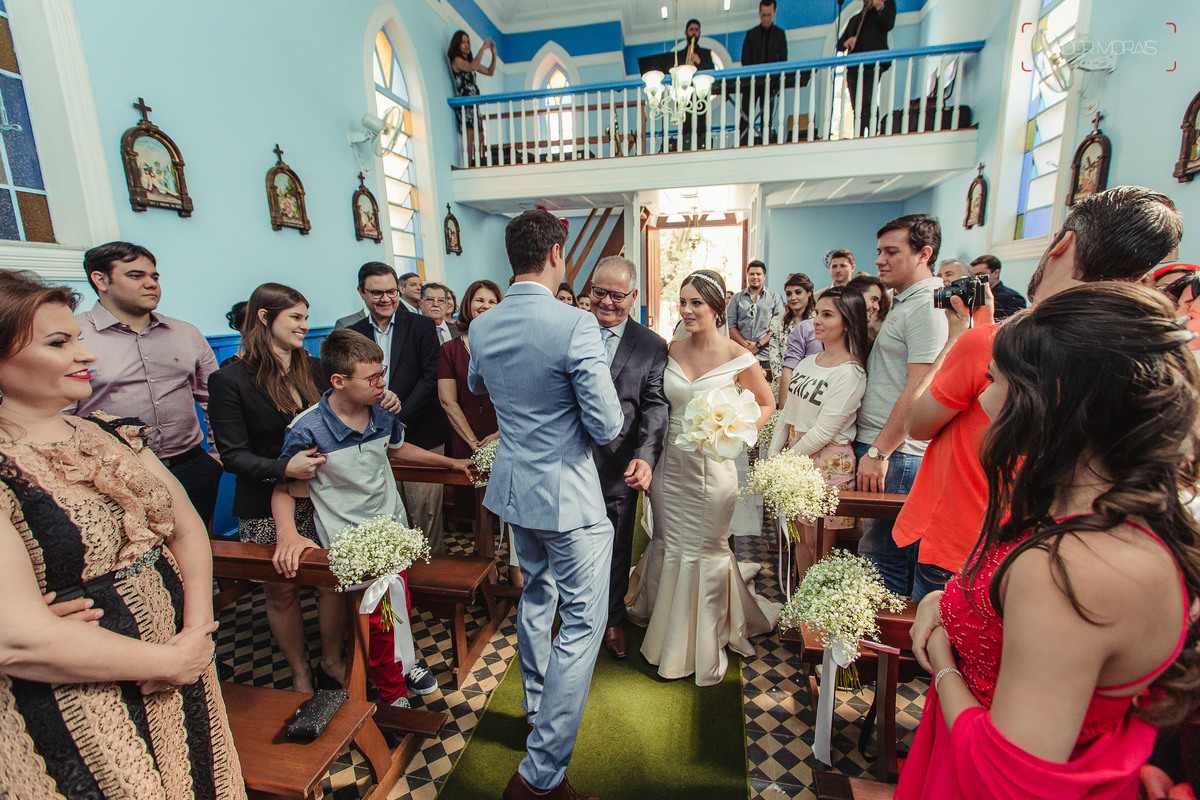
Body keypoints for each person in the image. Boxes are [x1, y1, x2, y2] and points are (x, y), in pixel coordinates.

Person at [898, 283, 1200, 799]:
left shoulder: (1070, 570)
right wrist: (938, 601)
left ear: (1052, 401)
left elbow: (1004, 778)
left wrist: (945, 659)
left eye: (997, 381)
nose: (986, 400)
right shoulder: (1092, 518)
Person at [0, 269, 245, 798]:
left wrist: (197, 633)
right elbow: (16, 637)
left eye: (79, 340)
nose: (84, 356)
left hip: (181, 661)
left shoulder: (107, 433)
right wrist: (168, 661)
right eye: (59, 343)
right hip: (79, 693)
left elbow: (185, 529)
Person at [901, 186, 1185, 602]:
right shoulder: (1139, 358)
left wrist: (962, 335)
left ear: (1063, 242)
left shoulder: (997, 343)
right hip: (1070, 563)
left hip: (967, 545)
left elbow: (919, 424)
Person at [468, 210, 623, 800]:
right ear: (558, 253)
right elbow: (607, 424)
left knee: (536, 596)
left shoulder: (483, 324)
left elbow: (481, 388)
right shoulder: (574, 324)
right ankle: (539, 775)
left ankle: (535, 707)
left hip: (513, 488)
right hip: (567, 492)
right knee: (583, 623)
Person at [209, 283, 398, 693]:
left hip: (320, 497)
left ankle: (332, 660)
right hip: (266, 498)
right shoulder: (230, 380)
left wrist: (383, 394)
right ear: (264, 318)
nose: (304, 325)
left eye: (305, 317)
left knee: (331, 583)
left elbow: (348, 398)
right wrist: (284, 468)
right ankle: (299, 671)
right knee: (283, 592)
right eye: (296, 317)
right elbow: (232, 456)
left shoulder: (312, 367)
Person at [273, 330, 474, 708]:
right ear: (339, 381)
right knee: (380, 619)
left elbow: (397, 449)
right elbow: (287, 488)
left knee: (398, 602)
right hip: (350, 539)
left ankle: (405, 663)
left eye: (382, 374)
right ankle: (391, 693)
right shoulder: (308, 429)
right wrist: (287, 534)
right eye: (373, 378)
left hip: (390, 527)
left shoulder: (381, 412)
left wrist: (450, 462)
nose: (383, 383)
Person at [626, 268, 779, 686]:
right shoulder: (669, 350)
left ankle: (700, 634)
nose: (688, 310)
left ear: (717, 307)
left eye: (697, 302)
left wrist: (734, 430)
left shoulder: (738, 356)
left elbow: (767, 403)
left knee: (707, 546)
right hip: (668, 466)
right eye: (683, 302)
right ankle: (661, 614)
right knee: (668, 540)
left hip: (714, 469)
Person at [69, 241, 224, 529]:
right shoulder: (74, 336)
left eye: (154, 277)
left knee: (200, 551)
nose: (151, 284)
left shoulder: (186, 333)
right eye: (135, 276)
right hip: (112, 476)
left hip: (190, 468)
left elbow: (214, 399)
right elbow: (61, 413)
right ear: (101, 280)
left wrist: (215, 459)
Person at [855, 214, 948, 597]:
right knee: (876, 548)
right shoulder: (905, 301)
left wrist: (880, 450)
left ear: (924, 254)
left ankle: (885, 648)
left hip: (898, 453)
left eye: (892, 251)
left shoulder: (927, 305)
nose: (880, 260)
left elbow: (920, 386)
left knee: (887, 553)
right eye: (879, 251)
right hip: (886, 447)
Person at [587, 256, 670, 661]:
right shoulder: (571, 330)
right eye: (598, 292)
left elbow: (655, 407)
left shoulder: (651, 345)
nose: (605, 302)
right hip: (568, 463)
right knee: (569, 549)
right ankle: (575, 619)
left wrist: (646, 458)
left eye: (616, 295)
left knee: (617, 548)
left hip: (618, 465)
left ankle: (613, 618)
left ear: (633, 296)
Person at [349, 264, 451, 553]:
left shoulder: (421, 326)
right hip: (372, 438)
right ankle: (399, 587)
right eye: (376, 292)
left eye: (391, 291)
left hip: (421, 431)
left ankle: (432, 584)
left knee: (425, 516)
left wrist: (399, 414)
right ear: (362, 293)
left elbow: (431, 377)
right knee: (387, 516)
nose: (385, 299)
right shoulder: (353, 333)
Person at [768, 286, 868, 579]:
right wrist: (774, 454)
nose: (817, 321)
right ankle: (800, 606)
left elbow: (825, 430)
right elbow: (788, 412)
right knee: (799, 540)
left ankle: (816, 622)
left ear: (847, 322)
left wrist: (786, 461)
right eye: (817, 314)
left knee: (819, 546)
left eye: (827, 315)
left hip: (827, 461)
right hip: (796, 454)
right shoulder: (808, 362)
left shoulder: (851, 372)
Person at [437, 280, 518, 584]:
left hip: (506, 431)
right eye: (479, 300)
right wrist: (472, 441)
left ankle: (515, 564)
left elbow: (519, 393)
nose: (485, 306)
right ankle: (485, 566)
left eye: (492, 301)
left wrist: (500, 434)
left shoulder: (508, 341)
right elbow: (448, 399)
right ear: (467, 305)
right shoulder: (450, 349)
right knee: (477, 508)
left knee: (512, 502)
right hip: (467, 434)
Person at [837, 0, 896, 137]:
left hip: (872, 66)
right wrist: (847, 42)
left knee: (867, 101)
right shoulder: (854, 20)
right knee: (856, 105)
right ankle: (858, 134)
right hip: (854, 69)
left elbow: (888, 24)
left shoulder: (883, 9)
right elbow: (839, 44)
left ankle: (872, 133)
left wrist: (880, 7)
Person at [739, 0, 788, 145]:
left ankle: (765, 140)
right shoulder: (751, 34)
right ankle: (743, 142)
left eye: (768, 15)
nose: (766, 18)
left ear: (774, 13)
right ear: (759, 14)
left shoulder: (779, 35)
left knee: (767, 116)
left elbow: (783, 59)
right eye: (763, 15)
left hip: (770, 83)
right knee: (746, 115)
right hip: (751, 83)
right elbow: (745, 59)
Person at [772, 273, 824, 408]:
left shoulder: (819, 321)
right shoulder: (777, 321)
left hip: (812, 386)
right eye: (789, 294)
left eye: (798, 292)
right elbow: (774, 355)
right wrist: (781, 381)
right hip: (783, 383)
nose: (793, 297)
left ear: (809, 293)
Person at [728, 260, 785, 376]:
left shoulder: (775, 297)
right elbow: (731, 325)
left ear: (764, 276)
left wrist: (758, 345)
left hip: (767, 357)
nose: (755, 277)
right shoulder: (736, 298)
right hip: (741, 354)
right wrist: (746, 345)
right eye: (752, 274)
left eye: (758, 274)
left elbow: (778, 326)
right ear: (747, 275)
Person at [449, 30, 495, 163]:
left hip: (475, 103)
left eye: (468, 42)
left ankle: (479, 162)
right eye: (463, 42)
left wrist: (494, 55)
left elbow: (490, 71)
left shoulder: (470, 61)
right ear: (457, 45)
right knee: (470, 135)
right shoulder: (457, 61)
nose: (467, 45)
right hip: (465, 102)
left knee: (480, 135)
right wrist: (482, 48)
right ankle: (469, 165)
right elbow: (471, 67)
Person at [677, 18, 715, 149]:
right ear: (686, 32)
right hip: (684, 95)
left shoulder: (705, 53)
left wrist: (699, 61)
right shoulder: (680, 54)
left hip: (700, 96)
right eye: (691, 29)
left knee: (701, 124)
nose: (694, 32)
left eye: (696, 30)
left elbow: (712, 73)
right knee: (685, 125)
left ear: (700, 33)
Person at [969, 255, 1027, 320]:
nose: (976, 279)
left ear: (996, 273)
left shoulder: (1013, 298)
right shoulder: (973, 297)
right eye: (973, 276)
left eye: (980, 274)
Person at [846, 272, 891, 343]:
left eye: (878, 302)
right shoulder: (834, 330)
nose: (877, 307)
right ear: (856, 296)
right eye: (873, 299)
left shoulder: (871, 336)